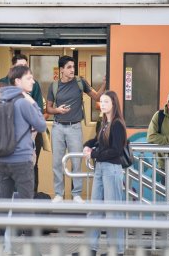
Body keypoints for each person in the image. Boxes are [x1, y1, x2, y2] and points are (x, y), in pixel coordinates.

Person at [46, 55, 105, 203]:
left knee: (77, 161)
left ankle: (76, 194)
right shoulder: (53, 86)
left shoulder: (80, 82)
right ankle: (59, 194)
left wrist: (104, 83)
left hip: (75, 127)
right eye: (69, 67)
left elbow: (97, 97)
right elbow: (48, 108)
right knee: (57, 162)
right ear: (61, 70)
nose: (72, 70)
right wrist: (58, 110)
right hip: (58, 127)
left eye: (73, 67)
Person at [82, 91, 126, 256]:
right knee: (95, 210)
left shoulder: (117, 124)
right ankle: (91, 248)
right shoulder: (104, 122)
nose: (103, 104)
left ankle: (116, 251)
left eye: (106, 101)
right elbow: (97, 141)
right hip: (101, 168)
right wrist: (87, 144)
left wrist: (93, 154)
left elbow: (116, 151)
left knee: (113, 211)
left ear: (114, 103)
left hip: (112, 169)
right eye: (101, 101)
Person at [0, 65, 46, 201]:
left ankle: (1, 223)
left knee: (3, 203)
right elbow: (41, 125)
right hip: (21, 160)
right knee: (25, 204)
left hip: (2, 159)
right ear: (18, 81)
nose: (33, 81)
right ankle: (21, 223)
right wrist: (33, 103)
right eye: (29, 78)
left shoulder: (1, 100)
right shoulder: (23, 103)